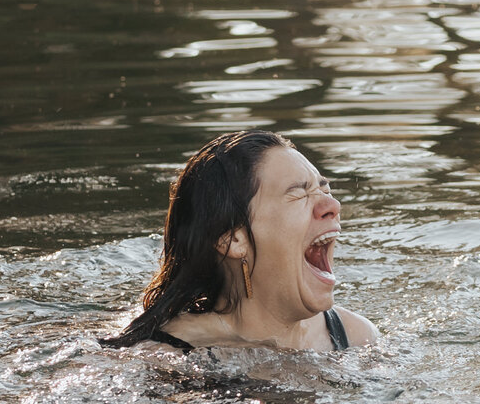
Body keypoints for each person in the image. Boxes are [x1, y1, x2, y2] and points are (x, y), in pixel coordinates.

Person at [101, 129, 376, 356]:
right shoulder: (165, 356)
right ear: (234, 239)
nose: (332, 205)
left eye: (325, 189)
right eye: (299, 194)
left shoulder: (355, 337)